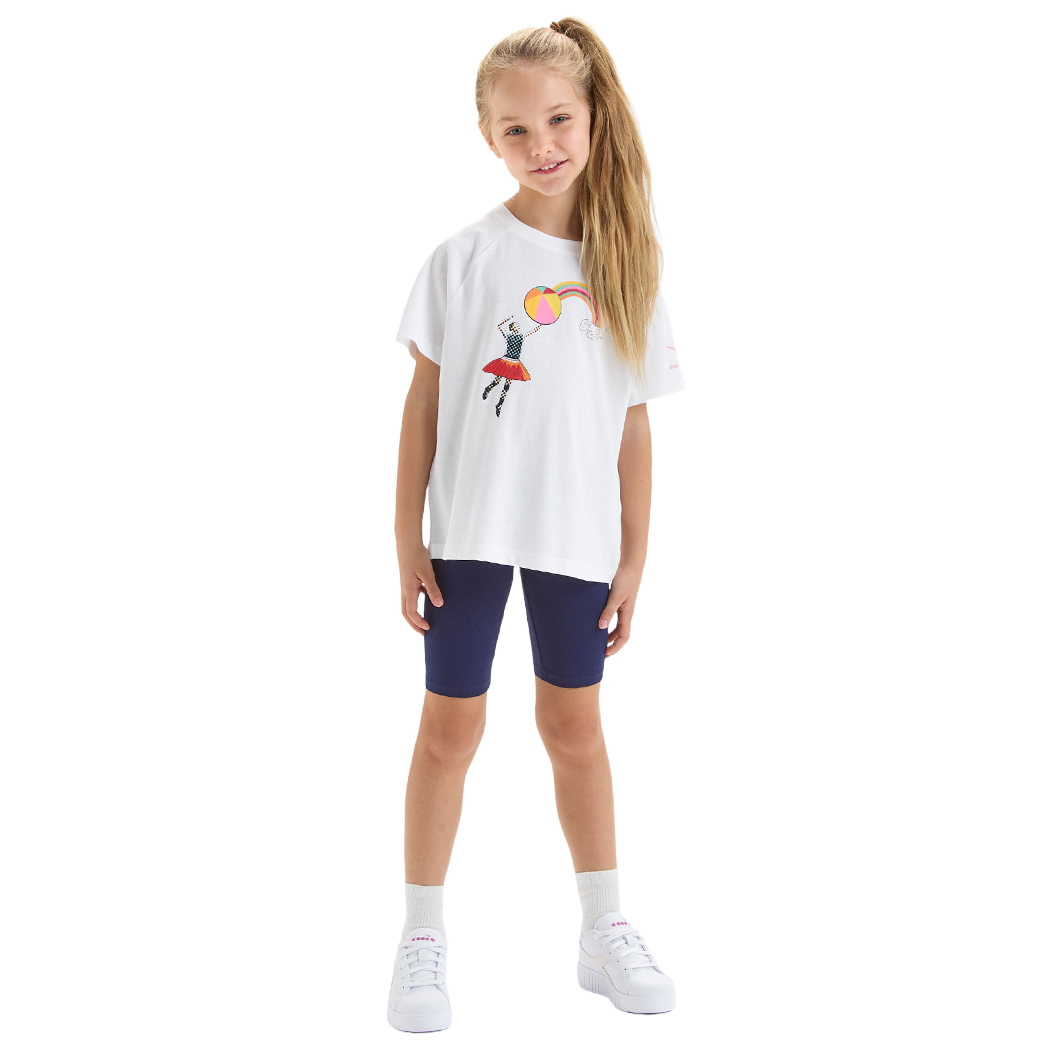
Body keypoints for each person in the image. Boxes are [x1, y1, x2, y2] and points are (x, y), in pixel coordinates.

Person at [388, 17, 685, 1033]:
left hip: (576, 541)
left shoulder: (628, 261)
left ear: (593, 117)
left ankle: (604, 928)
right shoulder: (463, 258)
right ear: (488, 138)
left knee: (575, 729)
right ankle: (421, 935)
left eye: (559, 119)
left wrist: (635, 556)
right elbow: (423, 406)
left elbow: (633, 423)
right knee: (450, 728)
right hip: (468, 534)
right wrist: (406, 539)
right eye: (516, 129)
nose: (542, 143)